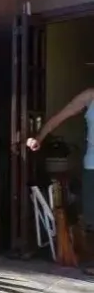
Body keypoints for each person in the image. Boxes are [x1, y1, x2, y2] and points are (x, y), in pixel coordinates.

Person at [27, 88, 94, 269]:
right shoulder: (89, 96)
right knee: (90, 215)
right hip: (92, 166)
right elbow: (59, 117)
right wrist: (39, 138)